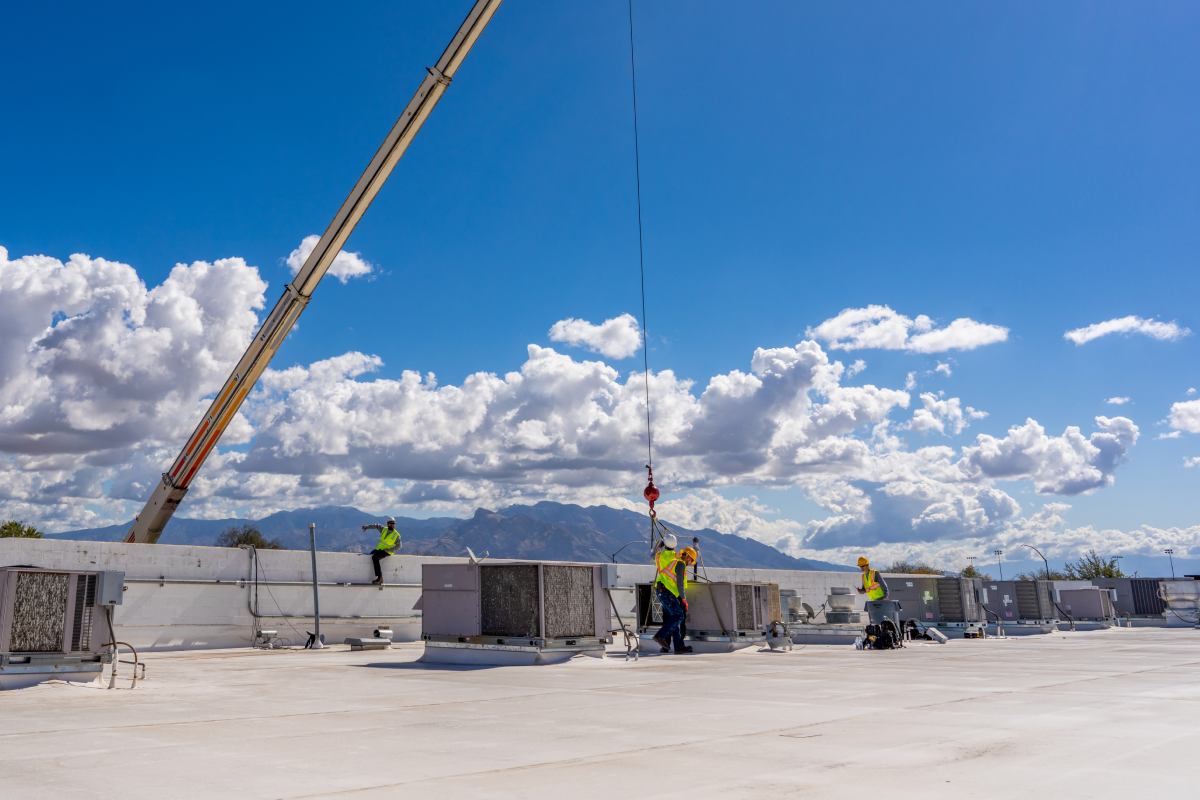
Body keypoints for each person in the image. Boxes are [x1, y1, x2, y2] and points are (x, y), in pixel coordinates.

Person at [652, 534, 698, 654]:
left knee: (673, 618)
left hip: (662, 590)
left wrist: (660, 544)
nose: (690, 562)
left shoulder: (661, 556)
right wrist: (683, 599)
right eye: (691, 559)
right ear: (687, 556)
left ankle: (677, 647)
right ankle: (660, 636)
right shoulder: (679, 562)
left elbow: (653, 554)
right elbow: (679, 583)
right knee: (678, 616)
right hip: (668, 592)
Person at [361, 517, 401, 585]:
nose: (392, 525)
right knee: (370, 555)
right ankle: (378, 577)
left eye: (393, 523)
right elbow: (376, 525)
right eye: (390, 523)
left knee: (375, 558)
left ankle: (380, 578)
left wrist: (388, 549)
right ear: (387, 524)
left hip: (387, 551)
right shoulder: (384, 529)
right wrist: (367, 527)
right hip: (379, 549)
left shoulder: (396, 535)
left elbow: (399, 546)